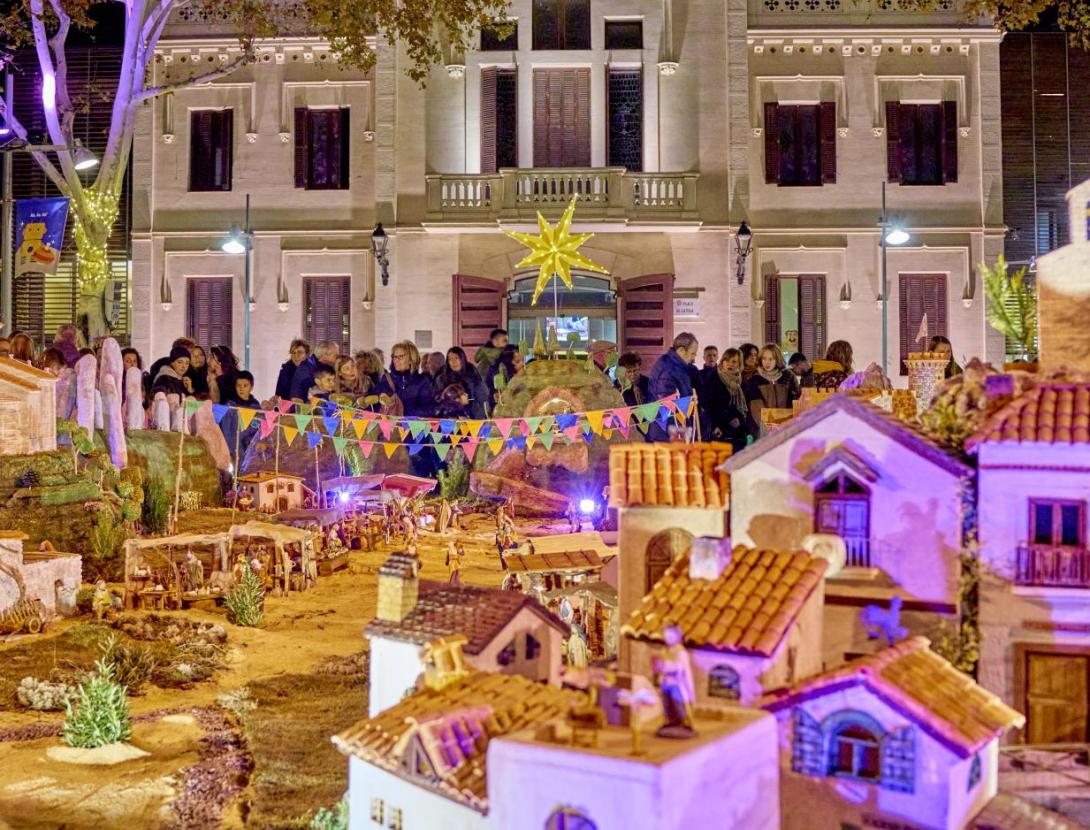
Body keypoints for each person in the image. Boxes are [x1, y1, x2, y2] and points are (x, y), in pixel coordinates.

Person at [743, 343, 798, 437]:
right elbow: (757, 410)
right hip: (762, 431)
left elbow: (794, 403)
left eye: (771, 359)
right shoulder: (754, 380)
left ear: (777, 359)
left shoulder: (787, 378)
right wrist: (769, 428)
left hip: (785, 429)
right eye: (764, 358)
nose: (767, 362)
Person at [706, 348, 750, 453]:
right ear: (722, 362)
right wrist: (715, 426)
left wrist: (740, 421)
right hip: (720, 431)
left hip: (738, 432)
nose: (730, 364)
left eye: (734, 361)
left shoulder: (741, 382)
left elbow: (745, 407)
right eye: (727, 360)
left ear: (739, 364)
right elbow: (709, 406)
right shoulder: (714, 379)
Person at [381, 340, 435, 417]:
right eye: (394, 357)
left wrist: (403, 408)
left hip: (414, 427)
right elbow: (376, 407)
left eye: (401, 356)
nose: (396, 360)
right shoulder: (386, 379)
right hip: (390, 427)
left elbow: (429, 411)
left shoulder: (421, 381)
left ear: (411, 359)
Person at [435, 346, 488, 418]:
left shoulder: (473, 375)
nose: (453, 362)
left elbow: (482, 399)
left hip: (472, 418)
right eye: (450, 359)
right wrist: (454, 401)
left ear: (462, 359)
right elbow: (438, 401)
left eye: (456, 358)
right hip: (449, 419)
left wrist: (468, 403)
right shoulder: (442, 379)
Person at [486, 344, 524, 409]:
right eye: (517, 361)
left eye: (523, 360)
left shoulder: (522, 374)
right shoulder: (498, 373)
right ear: (508, 363)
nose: (522, 364)